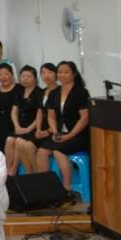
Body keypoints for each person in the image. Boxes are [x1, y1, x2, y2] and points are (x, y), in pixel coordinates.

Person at [37, 61, 90, 192]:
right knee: (42, 151)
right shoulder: (54, 93)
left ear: (74, 74)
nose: (62, 75)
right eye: (60, 72)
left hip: (78, 135)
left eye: (66, 72)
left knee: (58, 151)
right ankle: (45, 186)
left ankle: (66, 188)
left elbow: (85, 118)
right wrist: (55, 132)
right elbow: (51, 116)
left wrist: (70, 136)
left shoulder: (81, 92)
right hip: (60, 133)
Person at [14, 64, 57, 173]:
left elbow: (57, 117)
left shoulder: (59, 91)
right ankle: (29, 173)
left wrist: (47, 131)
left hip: (53, 130)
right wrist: (38, 129)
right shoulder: (43, 92)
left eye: (50, 73)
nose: (46, 76)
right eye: (44, 73)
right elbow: (40, 112)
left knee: (28, 146)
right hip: (41, 129)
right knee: (19, 141)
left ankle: (37, 174)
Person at [0, 63, 22, 151]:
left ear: (12, 74)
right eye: (0, 74)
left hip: (15, 123)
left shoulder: (20, 89)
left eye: (6, 74)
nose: (3, 77)